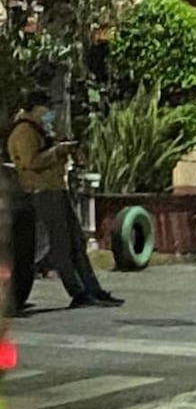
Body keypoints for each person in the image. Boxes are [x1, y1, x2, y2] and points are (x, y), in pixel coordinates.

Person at [6, 92, 123, 308]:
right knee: (62, 245)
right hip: (43, 191)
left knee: (76, 242)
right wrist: (57, 151)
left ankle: (93, 289)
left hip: (57, 188)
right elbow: (31, 162)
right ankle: (77, 291)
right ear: (35, 108)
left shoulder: (39, 129)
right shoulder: (24, 131)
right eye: (45, 108)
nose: (49, 113)